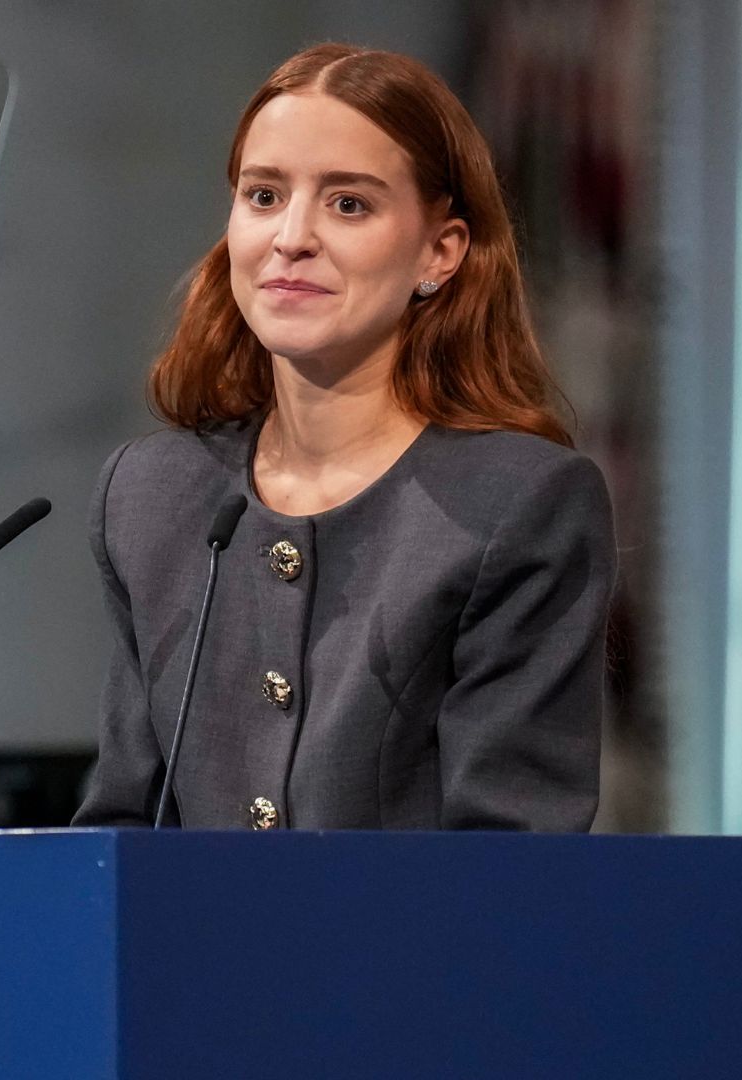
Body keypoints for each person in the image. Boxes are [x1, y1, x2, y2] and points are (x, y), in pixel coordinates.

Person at [71, 43, 616, 832]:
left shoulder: (520, 503)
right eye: (263, 196)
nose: (291, 237)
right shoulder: (151, 494)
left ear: (441, 252)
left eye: (348, 205)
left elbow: (511, 858)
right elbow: (121, 832)